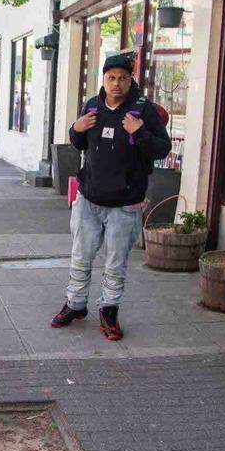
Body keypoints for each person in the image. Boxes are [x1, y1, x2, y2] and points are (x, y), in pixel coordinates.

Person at [51, 53, 172, 340]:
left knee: (115, 263)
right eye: (111, 78)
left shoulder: (143, 110)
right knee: (80, 257)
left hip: (125, 205)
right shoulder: (92, 105)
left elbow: (162, 149)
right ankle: (75, 305)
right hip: (89, 200)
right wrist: (74, 130)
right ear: (103, 80)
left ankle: (108, 311)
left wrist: (140, 132)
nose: (117, 84)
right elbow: (81, 142)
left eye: (123, 78)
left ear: (131, 80)